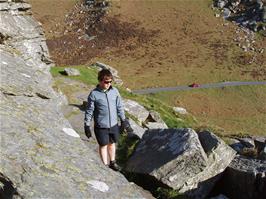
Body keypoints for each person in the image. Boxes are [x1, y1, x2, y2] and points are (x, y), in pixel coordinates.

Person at [84, 69, 132, 171]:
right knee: (103, 145)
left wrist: (123, 120)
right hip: (101, 126)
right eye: (106, 82)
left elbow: (119, 107)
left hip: (114, 124)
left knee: (112, 143)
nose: (109, 84)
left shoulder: (115, 91)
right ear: (100, 81)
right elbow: (89, 111)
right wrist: (86, 125)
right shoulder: (94, 94)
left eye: (110, 82)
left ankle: (112, 163)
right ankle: (105, 166)